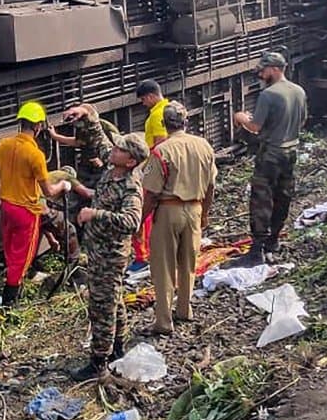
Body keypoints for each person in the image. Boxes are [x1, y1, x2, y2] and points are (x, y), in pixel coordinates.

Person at [67, 133, 147, 380]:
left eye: (120, 148)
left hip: (110, 255)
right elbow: (100, 142)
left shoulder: (130, 187)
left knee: (102, 306)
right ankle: (118, 347)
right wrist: (88, 115)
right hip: (99, 250)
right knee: (115, 299)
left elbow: (132, 221)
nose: (114, 149)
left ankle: (98, 361)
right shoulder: (113, 167)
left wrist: (95, 214)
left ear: (131, 161)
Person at [0, 102, 72, 305]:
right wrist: (63, 185)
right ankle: (9, 303)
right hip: (25, 212)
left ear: (21, 123)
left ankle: (10, 286)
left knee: (11, 249)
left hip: (6, 206)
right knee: (23, 256)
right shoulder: (35, 155)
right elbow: (48, 191)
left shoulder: (4, 144)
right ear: (38, 126)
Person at [140, 102, 216, 335]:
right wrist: (204, 213)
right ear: (186, 121)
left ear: (164, 123)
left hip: (168, 210)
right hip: (194, 208)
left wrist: (141, 221)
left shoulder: (162, 151)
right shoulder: (204, 146)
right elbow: (211, 185)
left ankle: (163, 321)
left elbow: (151, 193)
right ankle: (185, 309)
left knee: (163, 267)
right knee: (188, 262)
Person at [233, 52, 306, 265]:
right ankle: (273, 243)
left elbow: (255, 126)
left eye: (264, 70)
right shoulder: (299, 91)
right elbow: (302, 121)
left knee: (262, 200)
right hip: (290, 153)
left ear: (275, 69)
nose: (261, 74)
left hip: (270, 155)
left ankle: (257, 250)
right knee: (283, 197)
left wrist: (241, 118)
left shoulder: (269, 94)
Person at [129, 79, 170, 272]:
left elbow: (161, 144)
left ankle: (142, 256)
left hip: (153, 167)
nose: (143, 104)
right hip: (163, 168)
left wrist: (141, 160)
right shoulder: (170, 108)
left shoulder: (157, 115)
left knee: (144, 210)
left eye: (144, 100)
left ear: (151, 96)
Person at [47, 103, 114, 190]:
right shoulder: (80, 129)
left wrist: (80, 109)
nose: (72, 121)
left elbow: (89, 110)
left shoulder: (93, 125)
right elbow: (78, 142)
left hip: (105, 161)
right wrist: (55, 136)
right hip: (89, 164)